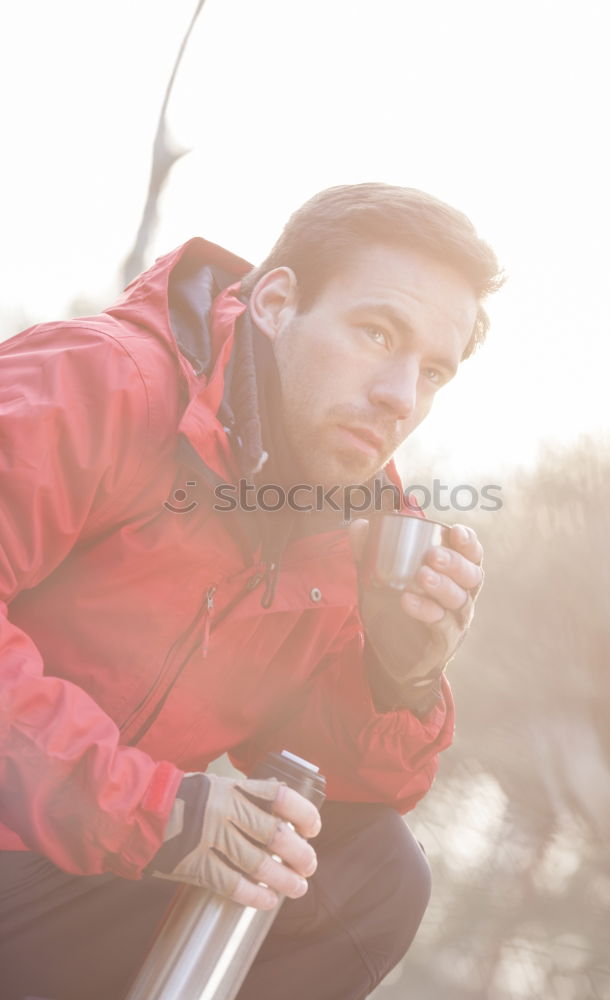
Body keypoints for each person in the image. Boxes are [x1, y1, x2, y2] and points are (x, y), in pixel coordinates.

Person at [0, 183, 502, 999]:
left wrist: (398, 674)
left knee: (369, 875)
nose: (399, 396)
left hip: (63, 885)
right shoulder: (100, 381)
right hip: (67, 840)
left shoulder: (358, 524)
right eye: (377, 333)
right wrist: (157, 814)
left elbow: (354, 792)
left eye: (433, 372)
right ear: (275, 301)